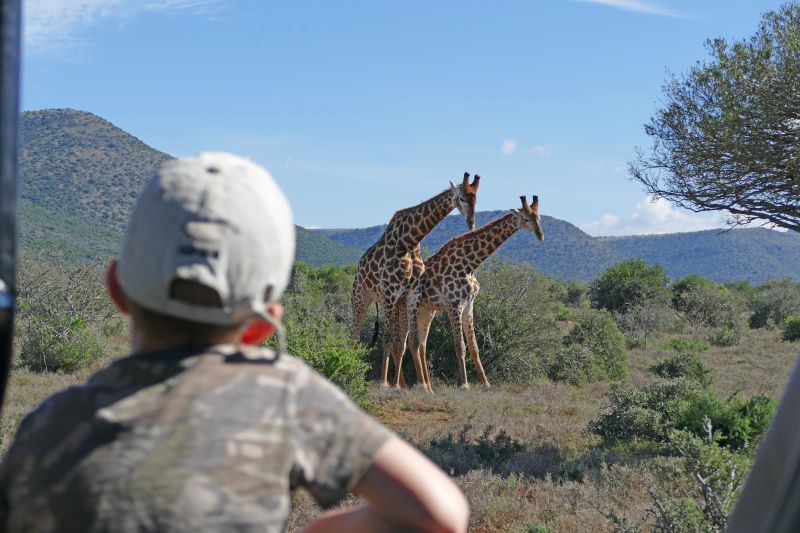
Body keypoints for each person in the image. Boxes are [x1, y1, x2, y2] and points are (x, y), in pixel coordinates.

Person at [0, 152, 469, 532]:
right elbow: (439, 512)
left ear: (117, 289)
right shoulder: (287, 401)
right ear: (265, 324)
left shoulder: (49, 423)